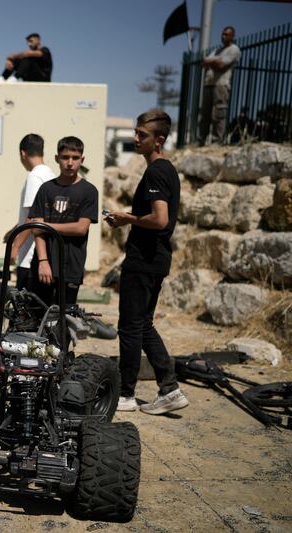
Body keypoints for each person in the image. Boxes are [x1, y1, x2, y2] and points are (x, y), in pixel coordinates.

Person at [106, 110, 188, 416]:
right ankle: (169, 387)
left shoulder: (156, 172)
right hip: (156, 259)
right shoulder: (166, 170)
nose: (135, 138)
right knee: (143, 324)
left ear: (159, 140)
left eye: (142, 134)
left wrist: (128, 218)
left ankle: (126, 394)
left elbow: (160, 218)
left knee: (129, 327)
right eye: (136, 133)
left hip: (144, 260)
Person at [28, 136, 98, 307]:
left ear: (82, 160)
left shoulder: (89, 191)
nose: (69, 163)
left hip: (71, 265)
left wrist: (46, 226)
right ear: (56, 159)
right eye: (65, 157)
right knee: (38, 317)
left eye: (75, 158)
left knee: (64, 319)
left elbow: (81, 228)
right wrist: (43, 262)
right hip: (44, 265)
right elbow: (37, 231)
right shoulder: (46, 189)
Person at [5, 133, 56, 290]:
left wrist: (15, 247)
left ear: (23, 153)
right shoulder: (50, 174)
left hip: (29, 256)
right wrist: (15, 229)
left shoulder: (34, 177)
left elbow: (32, 216)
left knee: (24, 310)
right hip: (45, 252)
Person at [198, 26, 241, 145]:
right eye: (223, 34)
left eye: (226, 34)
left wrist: (211, 62)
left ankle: (217, 141)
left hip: (221, 85)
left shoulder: (234, 50)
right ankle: (201, 140)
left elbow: (221, 66)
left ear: (232, 36)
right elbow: (203, 62)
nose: (223, 36)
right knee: (205, 114)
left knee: (219, 114)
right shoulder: (217, 51)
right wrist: (214, 61)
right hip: (209, 84)